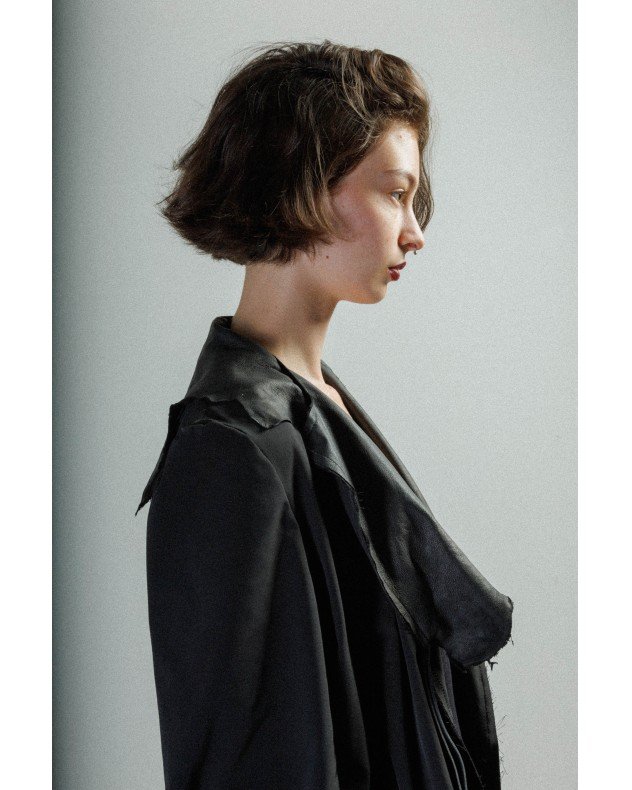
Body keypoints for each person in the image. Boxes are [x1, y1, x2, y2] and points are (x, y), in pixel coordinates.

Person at [136, 41, 513, 790]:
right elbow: (238, 754)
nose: (414, 231)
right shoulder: (232, 446)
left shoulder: (312, 406)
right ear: (298, 187)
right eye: (394, 193)